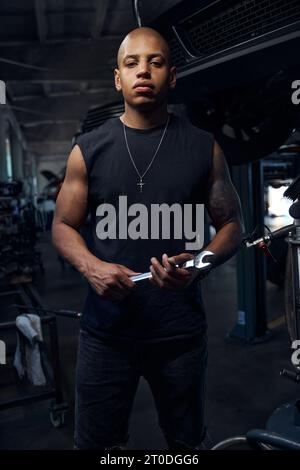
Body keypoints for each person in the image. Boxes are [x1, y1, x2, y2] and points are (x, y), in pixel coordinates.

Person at [52, 27, 243, 451]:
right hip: (106, 335)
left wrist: (197, 266)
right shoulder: (88, 150)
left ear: (172, 76)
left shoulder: (202, 147)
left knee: (185, 444)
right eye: (132, 63)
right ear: (118, 78)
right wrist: (92, 267)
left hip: (179, 335)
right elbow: (63, 225)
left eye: (155, 62)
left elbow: (232, 226)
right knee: (97, 446)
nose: (144, 71)